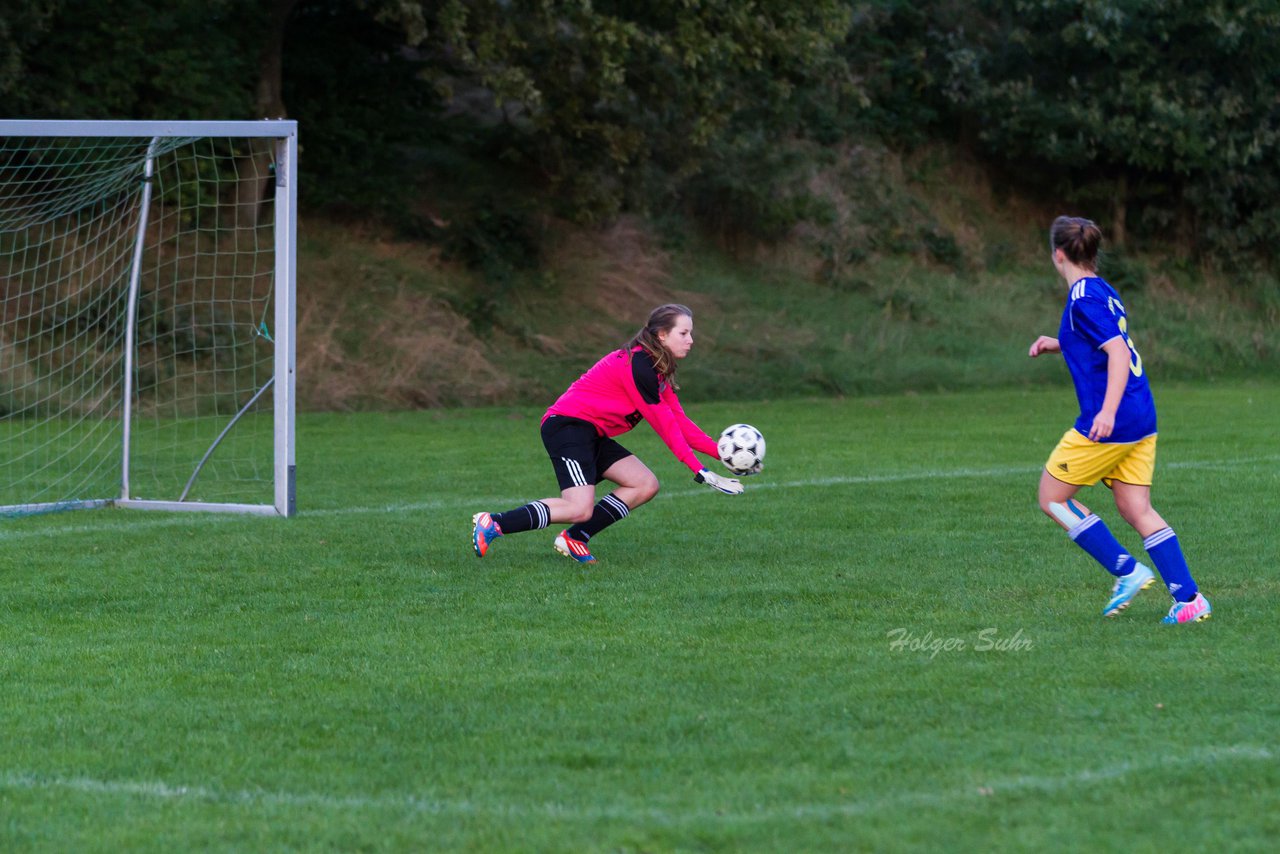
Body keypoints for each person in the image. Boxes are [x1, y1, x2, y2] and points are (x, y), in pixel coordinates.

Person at [1028, 216, 1211, 624]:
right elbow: (1104, 341)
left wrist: (1106, 412)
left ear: (1058, 254)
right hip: (1141, 415)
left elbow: (1116, 353)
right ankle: (1189, 600)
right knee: (1135, 506)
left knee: (1052, 498)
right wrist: (1057, 344)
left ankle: (1126, 571)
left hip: (1111, 420)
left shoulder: (1081, 299)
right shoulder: (1101, 290)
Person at [471, 303, 746, 564]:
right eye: (684, 333)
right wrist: (700, 471)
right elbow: (665, 428)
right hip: (568, 427)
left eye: (691, 333)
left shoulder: (657, 369)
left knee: (644, 484)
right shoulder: (640, 367)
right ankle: (494, 523)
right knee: (578, 508)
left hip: (590, 432)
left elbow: (680, 423)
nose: (691, 340)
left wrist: (724, 455)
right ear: (662, 335)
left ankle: (575, 537)